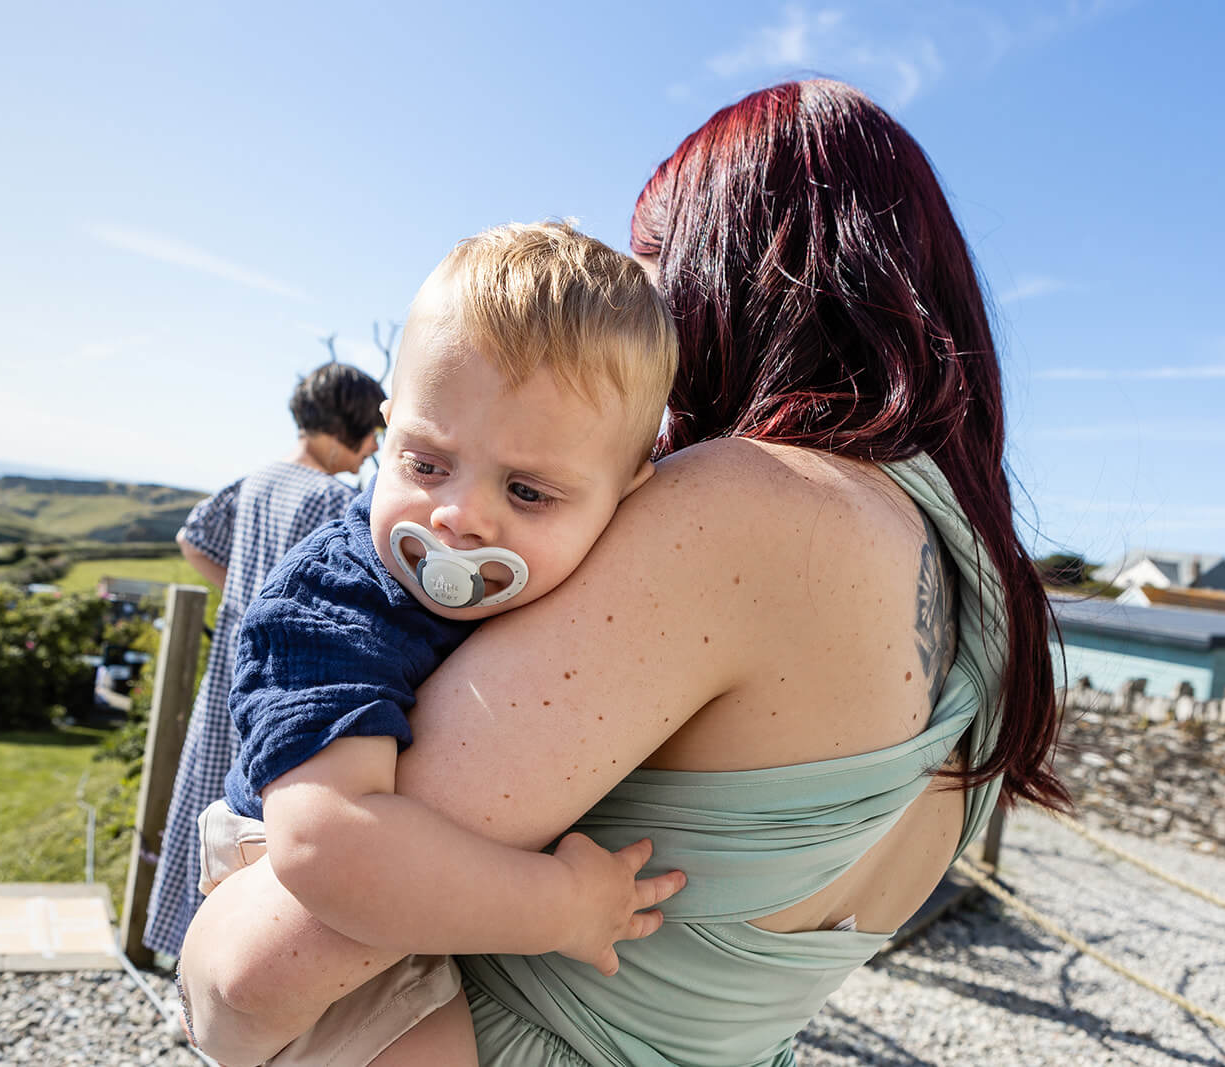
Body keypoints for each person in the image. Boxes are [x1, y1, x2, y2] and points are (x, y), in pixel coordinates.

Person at [181, 79, 1068, 1067]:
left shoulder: (747, 506)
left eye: (650, 281)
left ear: (712, 283)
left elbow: (253, 971)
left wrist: (206, 963)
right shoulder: (993, 605)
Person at [185, 221, 683, 1065]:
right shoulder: (331, 604)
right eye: (424, 464)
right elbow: (329, 844)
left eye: (528, 492)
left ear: (627, 494)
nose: (458, 516)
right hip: (314, 904)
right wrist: (560, 905)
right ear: (386, 434)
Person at [143, 360, 388, 959]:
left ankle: (186, 952)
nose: (371, 454)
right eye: (372, 437)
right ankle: (237, 957)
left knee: (205, 807)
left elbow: (192, 537)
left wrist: (244, 596)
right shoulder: (336, 500)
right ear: (349, 427)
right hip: (287, 679)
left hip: (230, 666)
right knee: (257, 820)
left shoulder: (258, 479)